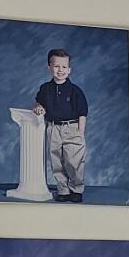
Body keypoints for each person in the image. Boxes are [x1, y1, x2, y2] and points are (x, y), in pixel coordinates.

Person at [31, 47, 87, 204]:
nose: (60, 70)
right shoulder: (45, 88)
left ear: (69, 70)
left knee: (73, 162)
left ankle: (76, 189)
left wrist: (80, 133)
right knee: (56, 161)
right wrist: (38, 106)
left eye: (64, 67)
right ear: (49, 67)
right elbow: (38, 101)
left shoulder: (75, 91)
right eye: (56, 66)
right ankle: (63, 190)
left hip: (72, 128)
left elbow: (83, 113)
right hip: (53, 128)